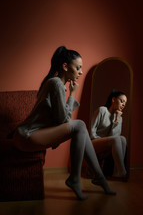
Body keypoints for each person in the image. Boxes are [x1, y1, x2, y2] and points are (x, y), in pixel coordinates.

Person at [13, 46, 116, 200]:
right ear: (65, 66)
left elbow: (60, 120)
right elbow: (63, 120)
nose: (81, 72)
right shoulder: (56, 84)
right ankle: (79, 179)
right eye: (78, 67)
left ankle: (98, 178)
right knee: (80, 125)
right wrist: (73, 94)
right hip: (27, 136)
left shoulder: (55, 83)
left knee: (81, 129)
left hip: (29, 136)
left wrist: (70, 95)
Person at [90, 90, 127, 178]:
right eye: (122, 101)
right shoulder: (102, 110)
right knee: (118, 139)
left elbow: (114, 137)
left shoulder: (119, 118)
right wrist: (101, 140)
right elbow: (92, 132)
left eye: (125, 103)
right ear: (113, 99)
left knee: (123, 139)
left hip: (108, 144)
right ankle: (123, 171)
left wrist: (117, 119)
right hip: (94, 142)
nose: (123, 104)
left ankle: (117, 173)